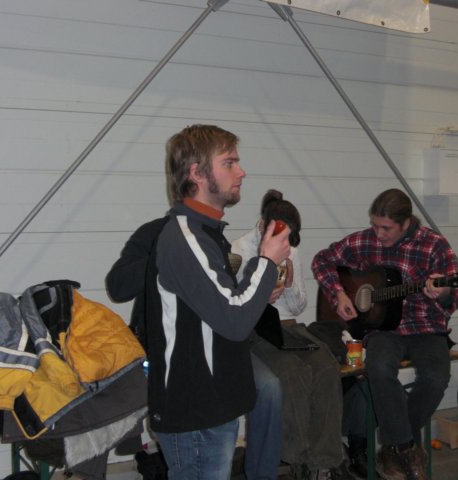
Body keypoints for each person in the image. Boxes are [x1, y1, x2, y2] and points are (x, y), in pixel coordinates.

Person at [142, 124, 291, 480]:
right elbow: (234, 320)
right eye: (229, 163)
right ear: (196, 173)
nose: (241, 172)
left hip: (211, 408)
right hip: (196, 413)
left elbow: (220, 307)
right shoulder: (185, 238)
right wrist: (267, 262)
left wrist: (259, 288)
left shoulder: (206, 233)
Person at [105, 215, 284, 480]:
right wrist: (168, 257)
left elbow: (225, 299)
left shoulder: (214, 238)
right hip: (171, 349)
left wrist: (259, 291)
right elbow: (117, 286)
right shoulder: (154, 233)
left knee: (269, 387)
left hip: (221, 343)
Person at [312, 188, 458, 480]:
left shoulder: (434, 245)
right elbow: (322, 260)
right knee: (379, 368)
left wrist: (443, 291)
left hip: (425, 327)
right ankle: (406, 447)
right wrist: (338, 294)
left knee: (436, 377)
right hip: (383, 330)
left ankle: (393, 447)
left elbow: (453, 299)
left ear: (406, 223)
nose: (378, 234)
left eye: (386, 228)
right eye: (375, 225)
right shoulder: (365, 241)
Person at [232, 190, 353, 480]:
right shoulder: (240, 249)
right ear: (264, 226)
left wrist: (287, 284)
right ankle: (297, 459)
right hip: (258, 329)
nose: (286, 243)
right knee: (292, 372)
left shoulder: (291, 250)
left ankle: (324, 461)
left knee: (326, 367)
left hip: (290, 326)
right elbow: (235, 305)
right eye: (282, 236)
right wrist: (263, 296)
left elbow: (299, 306)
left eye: (290, 237)